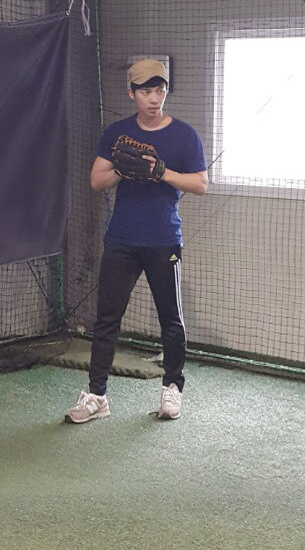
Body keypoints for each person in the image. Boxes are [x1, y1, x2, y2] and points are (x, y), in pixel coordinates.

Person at [65, 58, 208, 423]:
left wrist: (162, 172)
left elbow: (200, 184)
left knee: (171, 319)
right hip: (122, 240)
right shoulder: (117, 133)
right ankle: (97, 396)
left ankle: (172, 388)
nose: (154, 98)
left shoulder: (184, 135)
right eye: (146, 91)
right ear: (131, 93)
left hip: (164, 240)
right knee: (107, 319)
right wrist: (121, 168)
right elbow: (96, 180)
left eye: (160, 89)